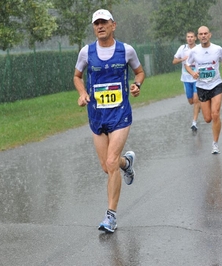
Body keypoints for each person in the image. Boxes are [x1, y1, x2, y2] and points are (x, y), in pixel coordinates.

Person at [73, 9, 145, 233]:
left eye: (104, 22)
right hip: (96, 115)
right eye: (96, 23)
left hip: (120, 114)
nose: (100, 26)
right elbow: (77, 76)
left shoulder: (126, 50)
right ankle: (127, 163)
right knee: (108, 167)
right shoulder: (87, 52)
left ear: (114, 25)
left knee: (111, 162)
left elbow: (140, 72)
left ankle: (110, 217)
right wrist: (82, 93)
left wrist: (137, 85)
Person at [185, 26, 222, 154]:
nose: (203, 36)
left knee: (215, 113)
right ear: (198, 36)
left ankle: (215, 144)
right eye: (201, 34)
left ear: (209, 35)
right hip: (202, 87)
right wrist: (192, 73)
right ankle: (213, 127)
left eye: (206, 33)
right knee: (207, 119)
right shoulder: (194, 51)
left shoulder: (217, 49)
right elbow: (187, 65)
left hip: (216, 84)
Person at [173, 30, 201, 131]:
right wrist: (182, 59)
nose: (189, 38)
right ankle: (200, 106)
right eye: (188, 37)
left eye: (191, 37)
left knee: (196, 99)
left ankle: (194, 123)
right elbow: (174, 61)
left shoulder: (199, 48)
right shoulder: (182, 48)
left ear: (195, 38)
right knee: (191, 101)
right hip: (186, 78)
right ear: (186, 38)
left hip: (196, 78)